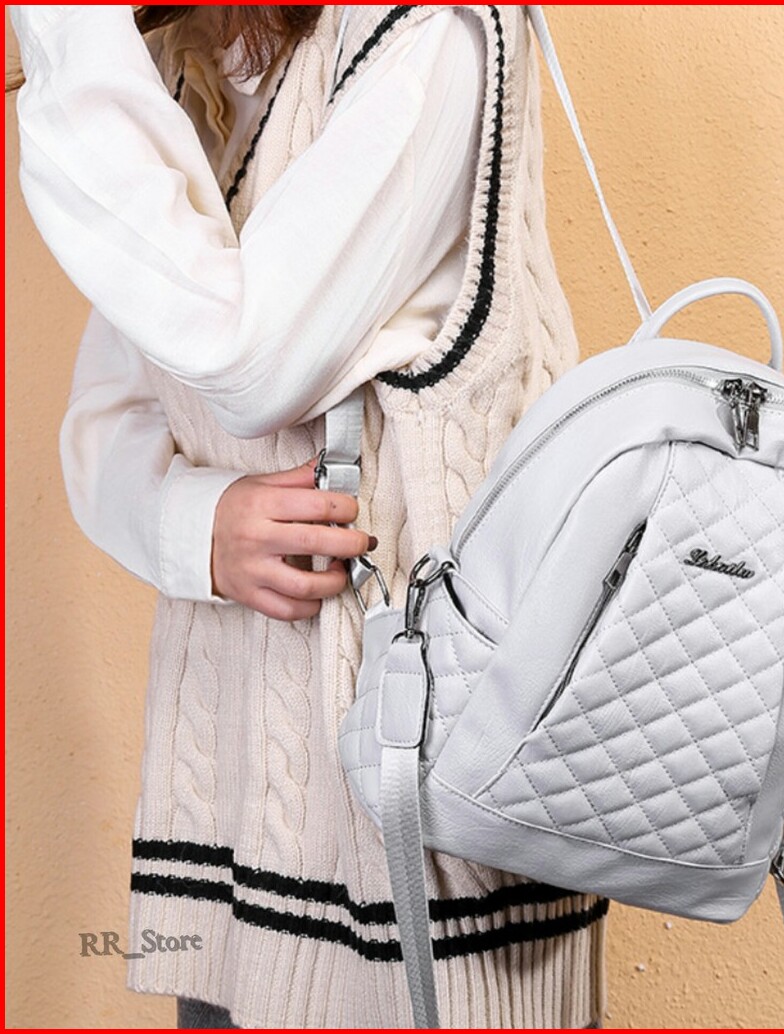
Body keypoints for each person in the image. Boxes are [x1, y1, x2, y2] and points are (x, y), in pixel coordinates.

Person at [9, 4, 607, 1029]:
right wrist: (196, 523)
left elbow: (249, 360)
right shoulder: (196, 74)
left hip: (418, 854)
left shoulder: (431, 33)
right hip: (234, 826)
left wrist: (66, 27)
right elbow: (108, 418)